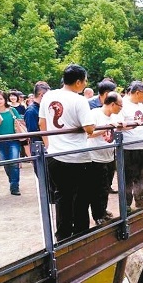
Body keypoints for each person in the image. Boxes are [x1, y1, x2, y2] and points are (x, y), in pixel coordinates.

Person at [39, 64, 95, 240]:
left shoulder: (49, 95)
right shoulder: (79, 100)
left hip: (55, 156)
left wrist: (49, 146)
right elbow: (89, 128)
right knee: (81, 197)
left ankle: (62, 236)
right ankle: (80, 233)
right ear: (78, 82)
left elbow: (42, 123)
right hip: (77, 157)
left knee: (62, 196)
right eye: (85, 81)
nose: (85, 84)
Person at [87, 91, 122, 225]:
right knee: (97, 189)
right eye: (120, 105)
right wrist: (106, 128)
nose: (121, 108)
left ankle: (103, 210)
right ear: (112, 104)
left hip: (109, 156)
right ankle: (97, 215)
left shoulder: (113, 117)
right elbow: (89, 134)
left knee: (106, 187)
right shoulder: (94, 114)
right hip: (95, 158)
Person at [120, 80, 143, 210]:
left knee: (140, 174)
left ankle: (140, 199)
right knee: (128, 177)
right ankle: (126, 204)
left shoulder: (140, 105)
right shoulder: (122, 104)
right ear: (137, 93)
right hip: (129, 147)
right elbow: (119, 124)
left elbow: (142, 120)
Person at [0, 90, 22, 195]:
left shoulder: (12, 110)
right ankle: (12, 181)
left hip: (13, 140)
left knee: (14, 163)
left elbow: (20, 122)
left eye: (1, 98)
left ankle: (14, 186)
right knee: (6, 164)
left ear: (5, 99)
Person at [24, 81, 50, 156]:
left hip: (45, 145)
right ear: (42, 95)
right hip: (39, 147)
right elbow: (33, 131)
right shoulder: (31, 111)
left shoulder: (43, 107)